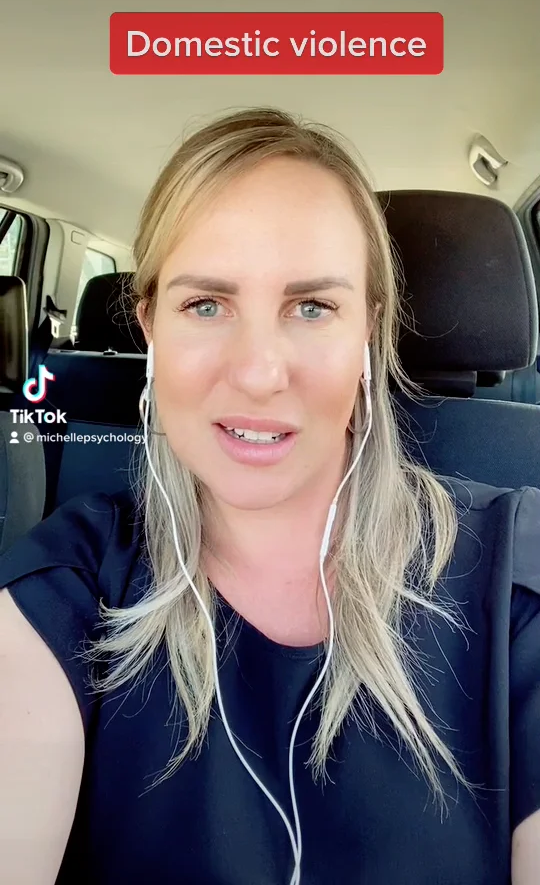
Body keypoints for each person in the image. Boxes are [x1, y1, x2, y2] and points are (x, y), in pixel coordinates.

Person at [0, 107, 539, 885]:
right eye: (206, 304)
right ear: (150, 328)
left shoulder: (517, 585)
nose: (258, 373)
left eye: (312, 307)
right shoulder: (68, 585)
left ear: (367, 333)